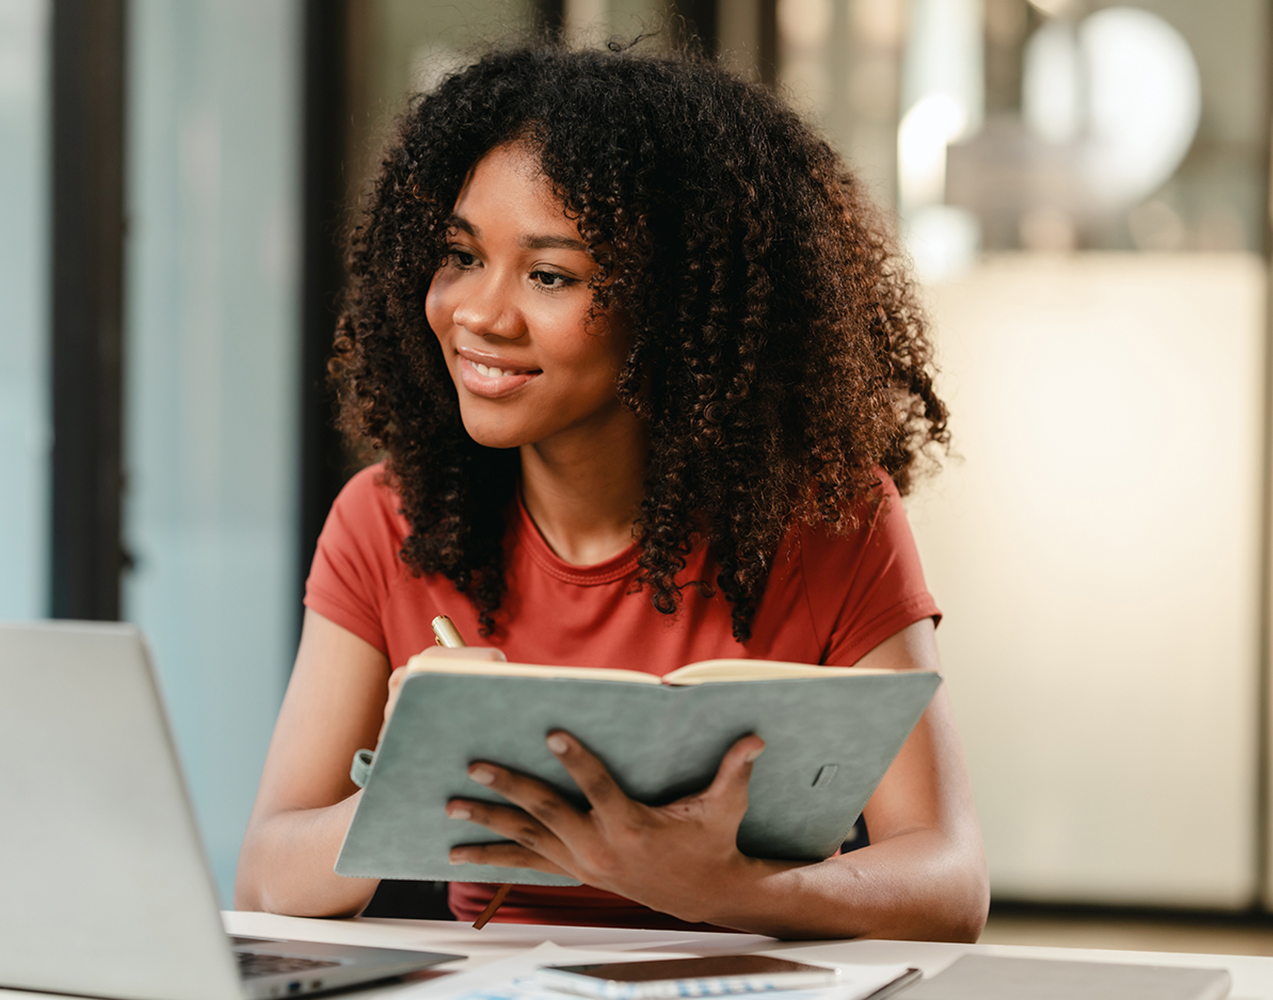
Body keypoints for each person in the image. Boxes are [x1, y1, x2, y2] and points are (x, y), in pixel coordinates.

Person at [235, 43, 988, 941]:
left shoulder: (831, 518)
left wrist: (732, 893)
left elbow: (949, 883)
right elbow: (265, 879)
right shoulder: (389, 519)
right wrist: (417, 772)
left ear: (671, 310)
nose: (480, 313)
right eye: (459, 254)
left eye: (550, 274)